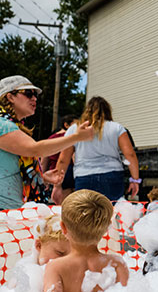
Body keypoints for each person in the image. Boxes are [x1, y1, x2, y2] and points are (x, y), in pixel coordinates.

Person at [0, 75, 94, 209]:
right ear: (10, 97)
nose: (34, 98)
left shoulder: (10, 126)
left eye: (35, 95)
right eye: (28, 93)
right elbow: (35, 149)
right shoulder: (3, 125)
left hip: (10, 209)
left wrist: (42, 177)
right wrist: (76, 137)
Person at [56, 96, 140, 202]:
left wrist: (57, 186)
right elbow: (130, 155)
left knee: (85, 213)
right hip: (112, 176)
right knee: (111, 213)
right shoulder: (117, 128)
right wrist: (135, 180)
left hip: (83, 176)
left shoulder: (74, 129)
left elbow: (63, 160)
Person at [42, 115, 76, 205]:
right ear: (66, 125)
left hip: (55, 172)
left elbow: (44, 160)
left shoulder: (51, 138)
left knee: (62, 204)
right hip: (69, 171)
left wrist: (43, 176)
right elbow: (73, 156)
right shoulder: (71, 137)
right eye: (75, 124)